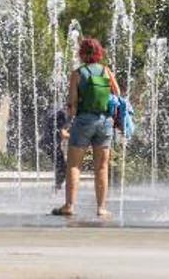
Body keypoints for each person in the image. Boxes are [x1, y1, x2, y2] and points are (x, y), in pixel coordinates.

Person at [52, 37, 120, 218]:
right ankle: (101, 208)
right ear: (99, 53)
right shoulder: (106, 70)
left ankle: (69, 206)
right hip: (105, 122)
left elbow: (72, 103)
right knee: (102, 167)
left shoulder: (78, 73)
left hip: (84, 121)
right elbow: (118, 94)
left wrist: (70, 115)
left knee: (74, 165)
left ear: (81, 53)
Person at [41, 108, 70, 190]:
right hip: (50, 144)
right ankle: (56, 190)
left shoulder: (58, 112)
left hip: (48, 143)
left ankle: (56, 188)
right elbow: (63, 134)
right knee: (62, 168)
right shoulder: (62, 115)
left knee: (61, 167)